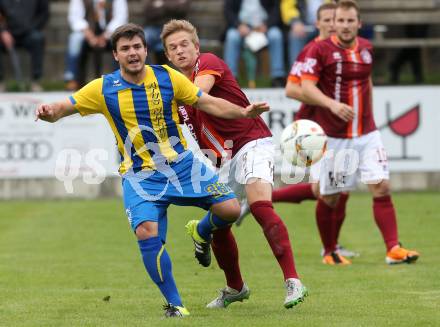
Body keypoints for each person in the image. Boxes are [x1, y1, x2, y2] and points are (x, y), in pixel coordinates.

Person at [35, 23, 269, 318]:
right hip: (141, 176)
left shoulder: (168, 77)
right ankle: (175, 304)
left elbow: (207, 102)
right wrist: (48, 113)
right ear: (116, 55)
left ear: (145, 50)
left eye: (136, 47)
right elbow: (63, 107)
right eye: (125, 49)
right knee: (148, 233)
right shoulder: (103, 88)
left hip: (183, 166)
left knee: (231, 209)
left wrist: (243, 111)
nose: (132, 53)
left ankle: (200, 231)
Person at [161, 19, 308, 309]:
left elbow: (199, 94)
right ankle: (235, 287)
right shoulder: (173, 93)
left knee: (260, 205)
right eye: (172, 47)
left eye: (184, 44)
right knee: (221, 225)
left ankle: (293, 281)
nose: (179, 51)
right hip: (224, 161)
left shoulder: (207, 65)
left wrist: (161, 95)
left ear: (197, 47)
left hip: (252, 141)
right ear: (167, 55)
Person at [300, 0, 419, 265]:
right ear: (334, 25)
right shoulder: (319, 50)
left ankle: (393, 249)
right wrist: (332, 105)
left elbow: (367, 82)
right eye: (340, 21)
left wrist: (369, 115)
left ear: (358, 23)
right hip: (335, 138)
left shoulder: (366, 48)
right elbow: (306, 87)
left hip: (367, 134)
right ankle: (329, 250)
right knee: (330, 196)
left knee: (382, 186)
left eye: (349, 21)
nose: (344, 25)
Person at [273, 2, 357, 263]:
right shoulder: (312, 50)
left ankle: (333, 245)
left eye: (337, 19)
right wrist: (324, 97)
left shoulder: (341, 51)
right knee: (328, 189)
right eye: (329, 20)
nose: (335, 24)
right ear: (319, 23)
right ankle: (328, 248)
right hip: (317, 127)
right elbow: (291, 89)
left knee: (338, 188)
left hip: (339, 126)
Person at [64, 0, 128, 91]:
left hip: (110, 33)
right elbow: (75, 18)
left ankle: (122, 78)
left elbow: (120, 18)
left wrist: (105, 36)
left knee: (120, 40)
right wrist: (90, 36)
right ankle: (72, 78)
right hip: (86, 33)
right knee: (75, 39)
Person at [223, 0, 286, 87]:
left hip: (264, 27)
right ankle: (230, 78)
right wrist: (238, 25)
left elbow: (276, 10)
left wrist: (267, 25)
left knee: (276, 35)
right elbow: (228, 11)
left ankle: (277, 76)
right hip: (241, 28)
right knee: (232, 36)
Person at [0, 0, 49, 92]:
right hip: (7, 34)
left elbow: (44, 14)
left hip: (30, 33)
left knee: (38, 38)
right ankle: (0, 82)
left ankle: (36, 81)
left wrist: (31, 29)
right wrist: (2, 31)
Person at [280, 0, 329, 67]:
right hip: (304, 26)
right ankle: (296, 73)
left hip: (326, 25)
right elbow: (288, 8)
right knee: (295, 35)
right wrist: (295, 22)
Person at [143, 0, 191, 65]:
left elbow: (182, 10)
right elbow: (149, 12)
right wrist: (174, 6)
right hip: (154, 28)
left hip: (174, 28)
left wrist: (161, 5)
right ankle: (148, 68)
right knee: (142, 40)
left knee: (172, 42)